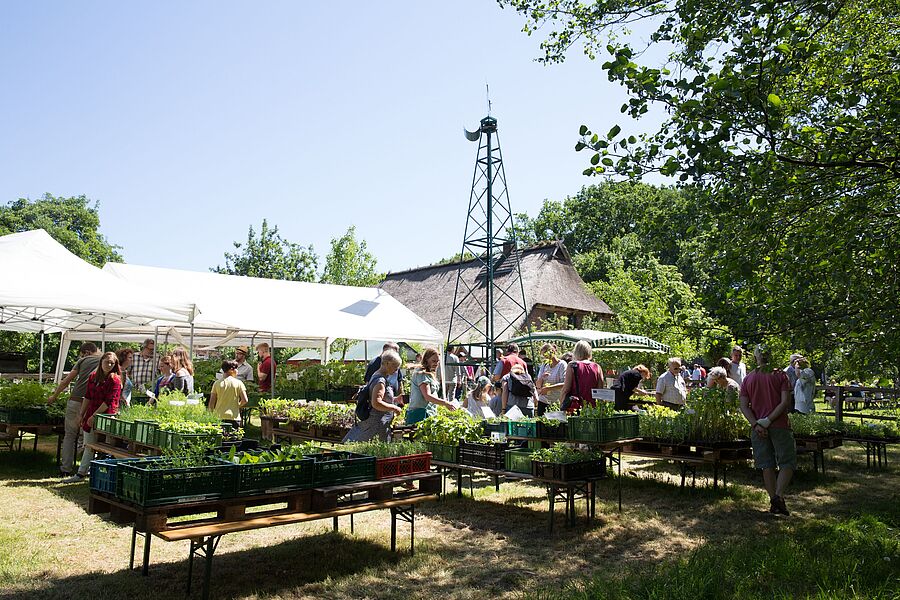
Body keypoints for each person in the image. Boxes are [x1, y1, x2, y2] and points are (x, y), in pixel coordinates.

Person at [740, 344, 796, 516]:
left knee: (767, 465)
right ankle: (778, 497)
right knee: (787, 462)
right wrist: (768, 420)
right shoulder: (780, 375)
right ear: (770, 356)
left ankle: (774, 500)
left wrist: (756, 424)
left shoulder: (748, 378)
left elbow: (744, 406)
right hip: (779, 425)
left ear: (756, 357)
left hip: (758, 429)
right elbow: (785, 402)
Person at [63, 352, 122, 482]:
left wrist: (95, 416)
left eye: (112, 363)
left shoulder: (115, 380)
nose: (109, 365)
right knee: (89, 444)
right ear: (101, 362)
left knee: (110, 447)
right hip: (91, 413)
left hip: (107, 416)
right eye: (107, 362)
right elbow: (88, 396)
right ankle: (81, 473)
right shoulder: (93, 377)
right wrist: (81, 414)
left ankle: (112, 474)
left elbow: (109, 401)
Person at [48, 342, 102, 477]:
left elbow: (66, 380)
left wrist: (54, 396)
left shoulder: (82, 361)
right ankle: (85, 469)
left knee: (70, 436)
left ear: (87, 352)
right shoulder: (105, 361)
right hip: (93, 403)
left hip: (76, 400)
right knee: (89, 438)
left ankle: (65, 468)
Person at [344, 350, 404, 442]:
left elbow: (377, 396)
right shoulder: (380, 381)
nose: (396, 370)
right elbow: (376, 403)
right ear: (387, 363)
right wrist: (394, 408)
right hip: (375, 425)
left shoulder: (377, 375)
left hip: (377, 425)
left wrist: (394, 399)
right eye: (395, 367)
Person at [405, 348, 457, 424]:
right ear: (426, 359)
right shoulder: (421, 374)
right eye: (433, 361)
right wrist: (446, 403)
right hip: (419, 414)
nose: (436, 363)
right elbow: (427, 396)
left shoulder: (430, 374)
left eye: (437, 361)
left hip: (429, 413)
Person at [559, 340, 603, 413]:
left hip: (576, 407)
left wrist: (562, 404)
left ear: (576, 351)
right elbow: (600, 391)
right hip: (593, 408)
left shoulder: (572, 366)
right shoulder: (597, 367)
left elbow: (566, 389)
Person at [209, 359, 249, 425]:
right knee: (235, 435)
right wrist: (238, 405)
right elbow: (245, 400)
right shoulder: (239, 383)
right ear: (231, 370)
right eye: (236, 368)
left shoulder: (216, 383)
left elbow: (211, 402)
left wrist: (211, 415)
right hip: (234, 417)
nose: (237, 371)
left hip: (219, 416)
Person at [535, 343, 567, 415]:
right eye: (544, 355)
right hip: (543, 401)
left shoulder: (562, 364)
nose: (545, 357)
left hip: (556, 401)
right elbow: (538, 385)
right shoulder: (544, 365)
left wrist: (549, 388)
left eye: (546, 354)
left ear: (552, 352)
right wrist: (542, 377)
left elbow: (564, 384)